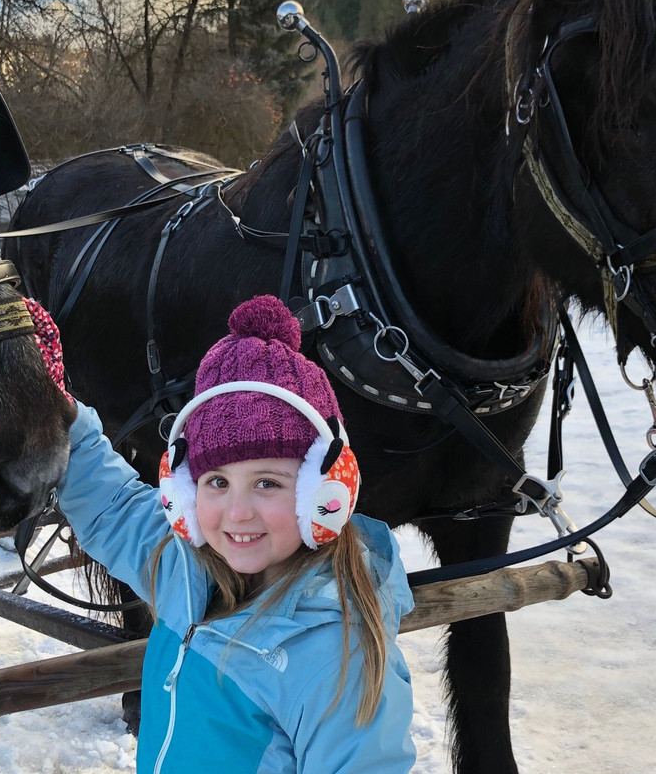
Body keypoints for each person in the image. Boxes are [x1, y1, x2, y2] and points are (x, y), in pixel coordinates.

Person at [42, 294, 416, 773]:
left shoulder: (338, 661)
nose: (237, 513)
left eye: (267, 483)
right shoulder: (183, 567)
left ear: (324, 493)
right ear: (183, 492)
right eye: (216, 481)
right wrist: (56, 410)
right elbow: (112, 508)